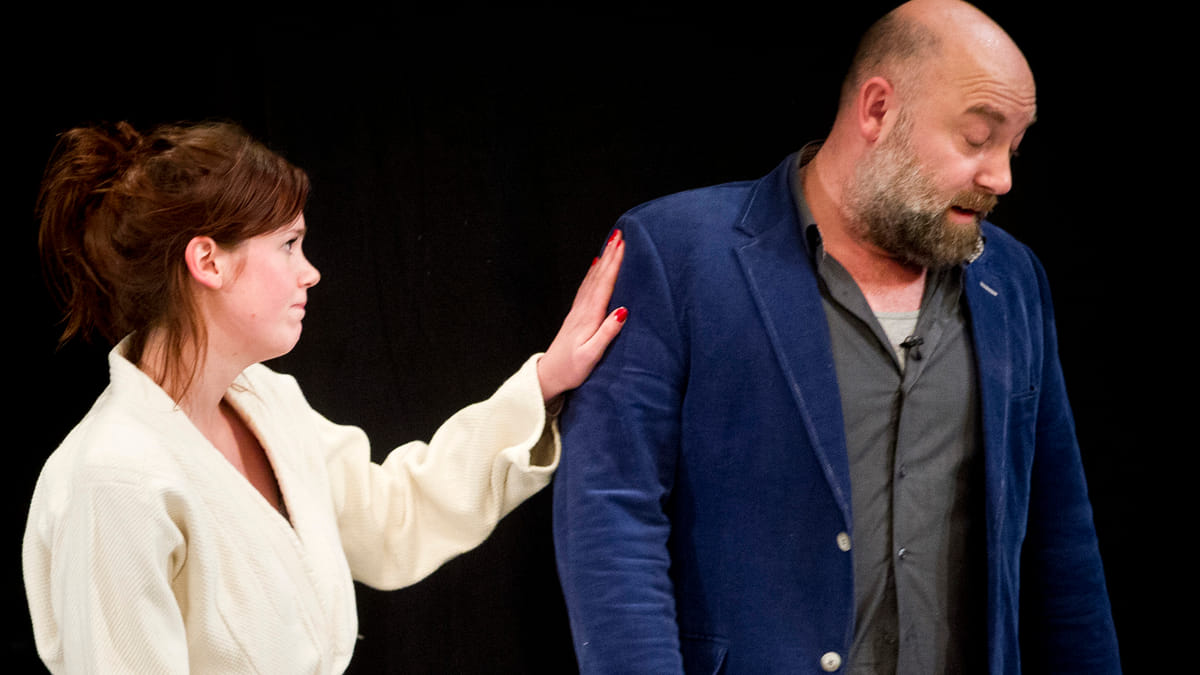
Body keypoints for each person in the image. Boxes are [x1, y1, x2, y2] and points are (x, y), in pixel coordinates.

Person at [551, 1, 1120, 673]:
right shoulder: (678, 254)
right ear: (878, 110)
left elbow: (1061, 538)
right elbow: (611, 517)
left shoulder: (1012, 279)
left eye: (1012, 149)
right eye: (977, 138)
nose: (1001, 177)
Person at [22, 119, 627, 673]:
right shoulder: (114, 480)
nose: (309, 272)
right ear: (208, 260)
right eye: (289, 244)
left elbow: (394, 518)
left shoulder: (266, 400)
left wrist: (545, 382)